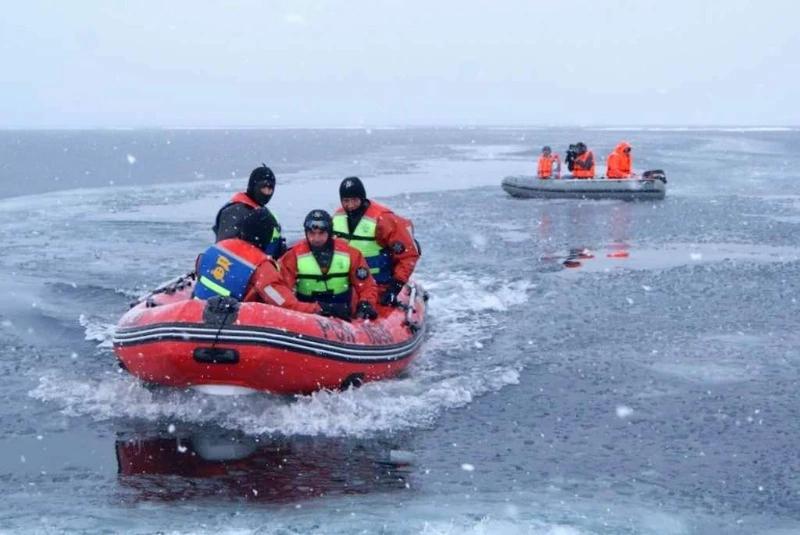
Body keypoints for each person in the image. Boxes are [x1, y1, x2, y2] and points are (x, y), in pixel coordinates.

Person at [192, 207, 321, 314]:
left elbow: (199, 268)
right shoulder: (261, 267)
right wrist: (319, 308)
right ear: (266, 236)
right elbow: (285, 305)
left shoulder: (216, 248)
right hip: (228, 326)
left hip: (195, 314)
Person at [332, 176, 420, 306]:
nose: (350, 205)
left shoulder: (383, 220)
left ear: (362, 198)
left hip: (379, 285)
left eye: (355, 200)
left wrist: (395, 287)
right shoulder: (336, 218)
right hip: (346, 286)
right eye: (346, 201)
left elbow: (408, 255)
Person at [279, 209, 379, 321]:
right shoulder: (292, 256)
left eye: (321, 233)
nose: (316, 239)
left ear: (330, 232)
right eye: (312, 233)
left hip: (343, 316)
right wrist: (320, 309)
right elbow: (283, 291)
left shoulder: (351, 254)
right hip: (306, 316)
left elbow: (367, 286)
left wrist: (366, 303)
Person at [212, 164, 286, 259]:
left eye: (270, 189)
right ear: (253, 185)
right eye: (264, 188)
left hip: (269, 267)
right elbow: (227, 249)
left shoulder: (266, 213)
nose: (267, 193)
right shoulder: (234, 212)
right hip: (247, 269)